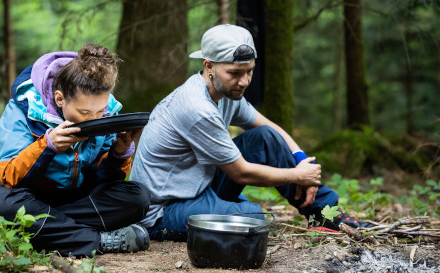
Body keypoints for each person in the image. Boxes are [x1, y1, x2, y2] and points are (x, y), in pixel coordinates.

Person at [129, 24, 371, 241]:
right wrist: (298, 176)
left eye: (250, 71)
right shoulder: (196, 107)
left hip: (199, 187)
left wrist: (301, 161)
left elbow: (269, 128)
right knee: (254, 217)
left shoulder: (227, 92)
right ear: (209, 66)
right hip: (162, 211)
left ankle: (327, 214)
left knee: (265, 137)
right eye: (234, 73)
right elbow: (241, 173)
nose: (244, 81)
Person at [0, 44, 151, 257]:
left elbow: (103, 179)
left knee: (138, 198)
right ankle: (96, 240)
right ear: (59, 99)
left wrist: (119, 152)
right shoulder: (22, 109)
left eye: (99, 111)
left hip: (75, 199)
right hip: (30, 197)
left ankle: (36, 230)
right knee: (0, 203)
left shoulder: (107, 111)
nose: (94, 119)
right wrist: (47, 146)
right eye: (84, 112)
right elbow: (8, 176)